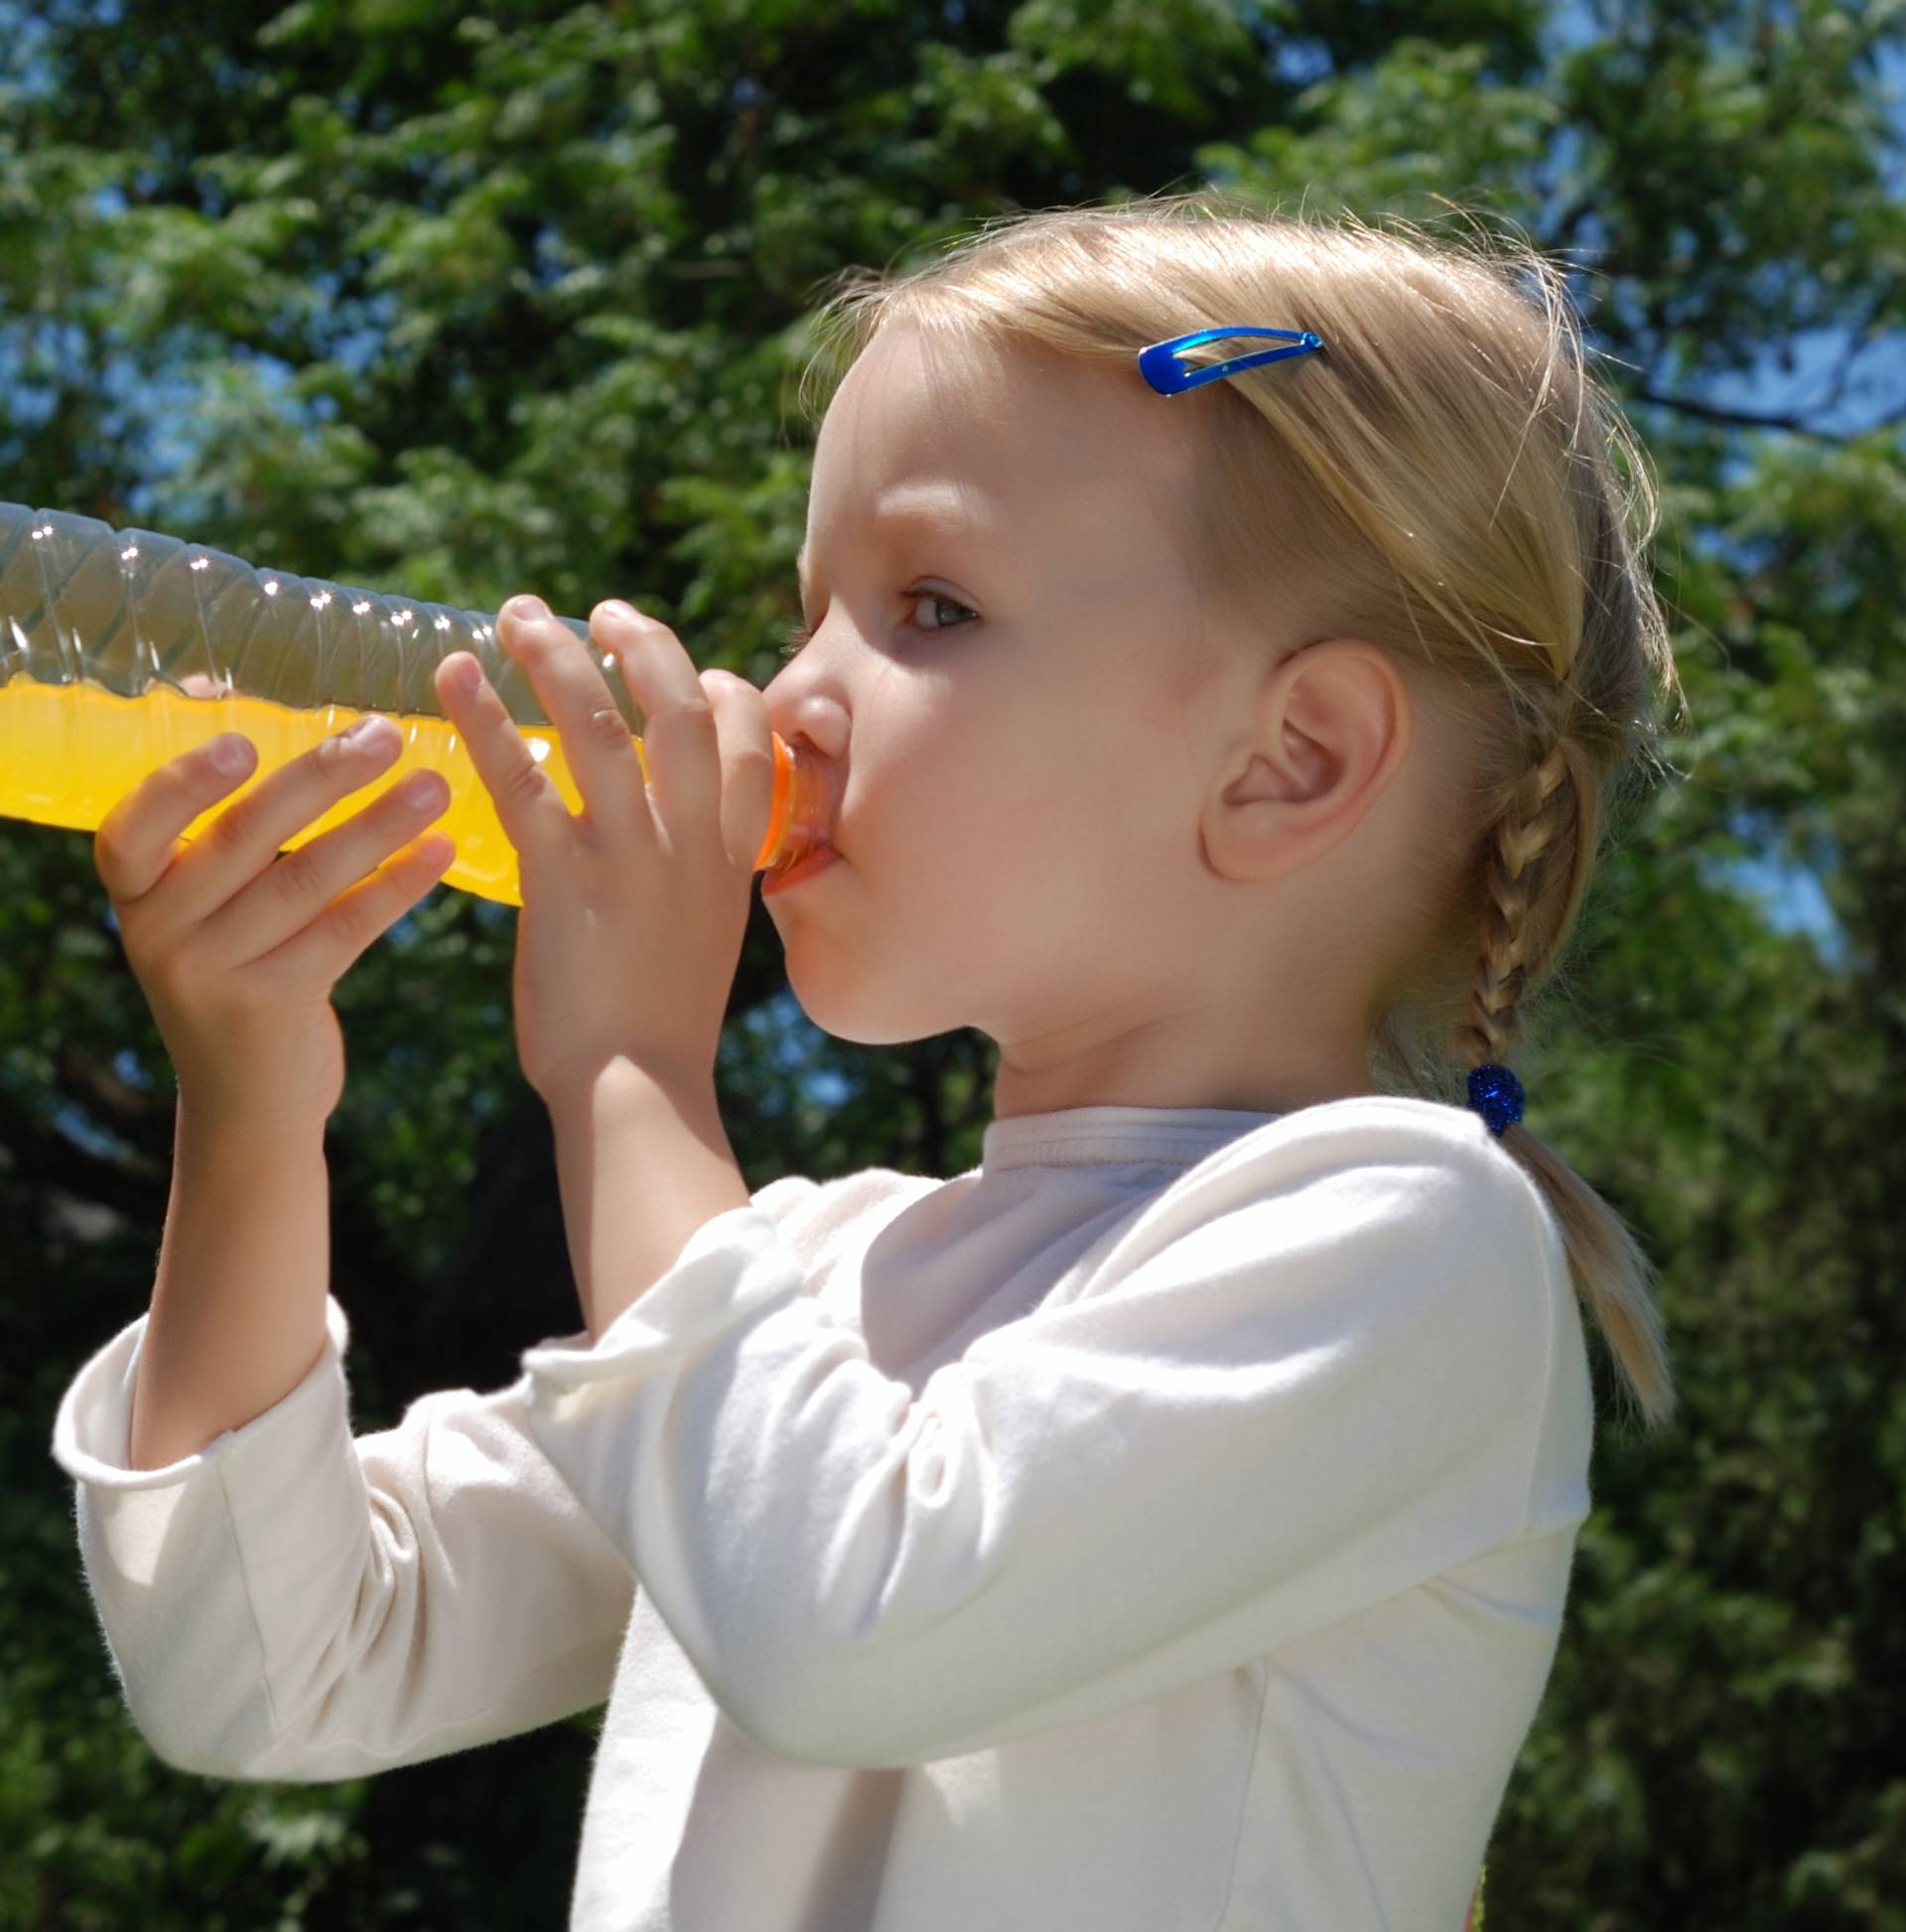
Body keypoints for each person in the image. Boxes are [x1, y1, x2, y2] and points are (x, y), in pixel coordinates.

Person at [50, 191, 1684, 1930]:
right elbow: (273, 1662)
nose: (789, 696)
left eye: (929, 606)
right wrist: (253, 1101)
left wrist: (629, 1074)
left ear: (1290, 758)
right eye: (807, 606)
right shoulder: (812, 1278)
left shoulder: (1411, 1247)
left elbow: (846, 1610)